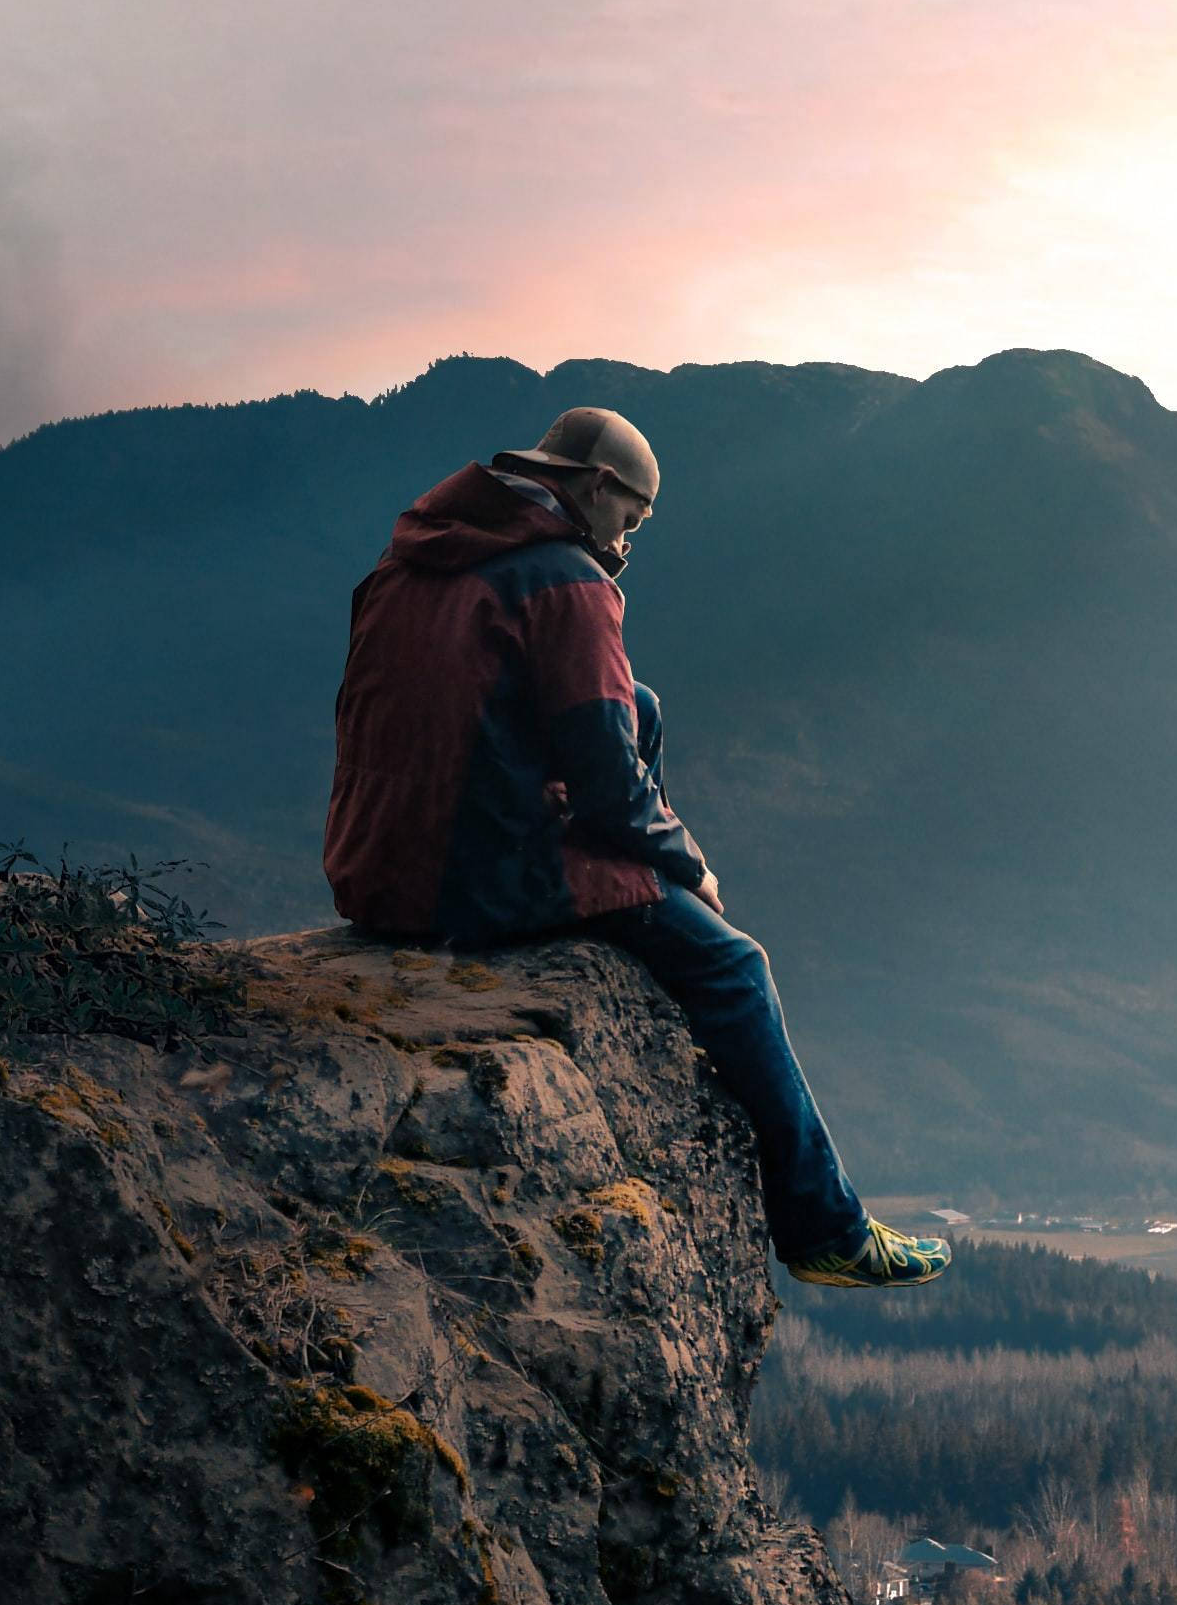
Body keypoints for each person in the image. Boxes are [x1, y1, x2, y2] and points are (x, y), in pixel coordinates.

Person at [324, 403, 950, 1290]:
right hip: (474, 880)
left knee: (638, 702)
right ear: (597, 487)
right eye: (631, 518)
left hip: (372, 863)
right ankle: (827, 1231)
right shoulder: (563, 579)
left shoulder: (415, 557)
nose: (626, 540)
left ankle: (629, 895)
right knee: (735, 966)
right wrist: (686, 865)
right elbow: (614, 791)